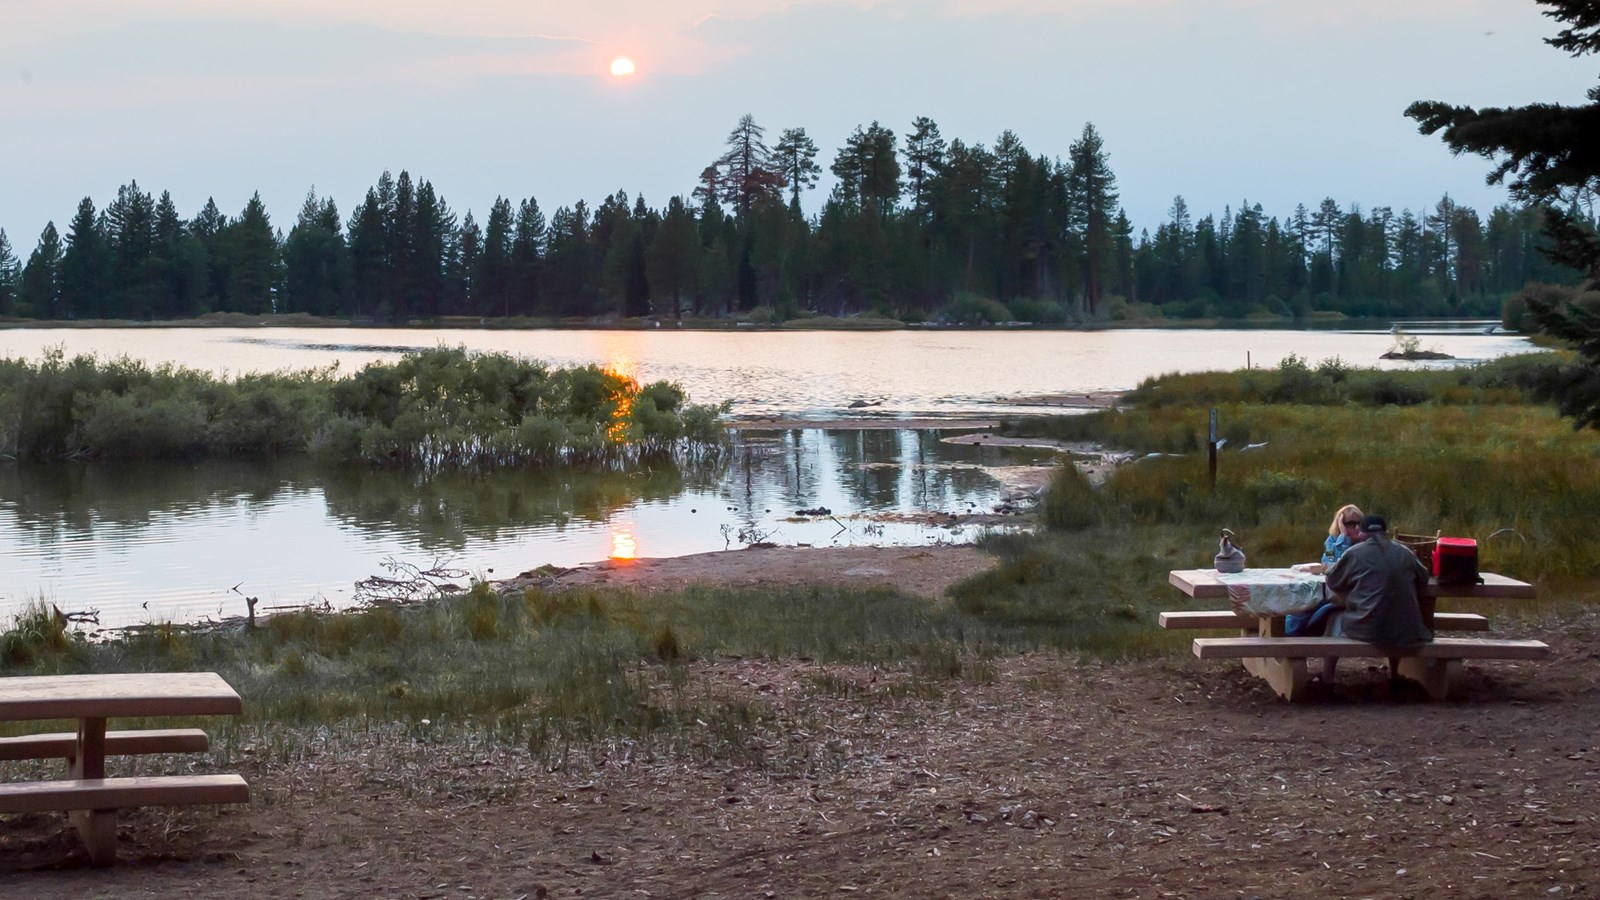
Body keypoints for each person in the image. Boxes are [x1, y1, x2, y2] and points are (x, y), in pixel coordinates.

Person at [1321, 514, 1433, 677]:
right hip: (1408, 630)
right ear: (1386, 532)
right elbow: (1424, 578)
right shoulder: (1405, 552)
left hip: (1369, 630)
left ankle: (1327, 677)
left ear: (1361, 533)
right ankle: (1394, 673)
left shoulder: (1355, 553)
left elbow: (1333, 580)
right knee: (1395, 611)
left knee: (1333, 617)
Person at [1284, 504, 1364, 637]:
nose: (1357, 527)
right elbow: (1330, 561)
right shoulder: (1332, 541)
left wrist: (1344, 539)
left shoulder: (1364, 543)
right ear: (1341, 524)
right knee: (1302, 600)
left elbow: (1343, 564)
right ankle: (1293, 635)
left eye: (1359, 523)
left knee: (1312, 602)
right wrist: (1342, 538)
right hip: (1334, 586)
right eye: (1351, 524)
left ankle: (1296, 636)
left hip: (1350, 591)